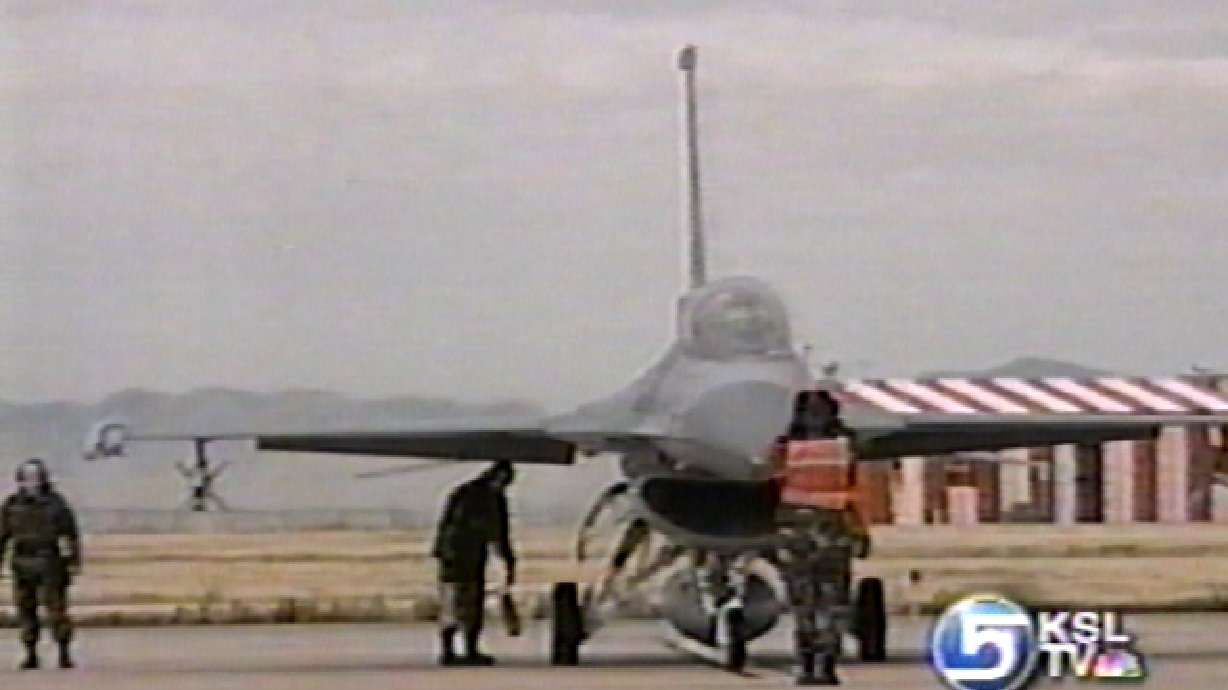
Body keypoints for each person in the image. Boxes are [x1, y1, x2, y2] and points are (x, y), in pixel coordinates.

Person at [431, 460, 517, 666]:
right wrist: (506, 559)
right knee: (459, 604)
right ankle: (456, 651)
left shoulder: (477, 495)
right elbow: (493, 532)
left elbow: (499, 534)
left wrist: (507, 559)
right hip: (460, 558)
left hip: (463, 559)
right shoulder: (478, 498)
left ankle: (461, 650)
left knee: (461, 605)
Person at [0, 459, 81, 670]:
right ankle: (30, 653)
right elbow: (2, 536)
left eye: (35, 477)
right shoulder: (11, 505)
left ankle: (64, 651)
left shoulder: (56, 504)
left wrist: (73, 561)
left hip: (50, 561)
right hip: (22, 561)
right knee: (25, 610)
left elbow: (70, 534)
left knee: (56, 609)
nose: (31, 482)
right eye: (27, 477)